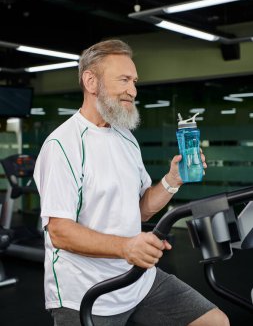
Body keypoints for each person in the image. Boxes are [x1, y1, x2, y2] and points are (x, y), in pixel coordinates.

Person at [33, 39, 229, 326]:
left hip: (138, 279)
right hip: (86, 293)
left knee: (214, 322)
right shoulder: (63, 145)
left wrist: (172, 180)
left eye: (134, 81)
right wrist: (127, 247)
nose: (133, 90)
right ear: (91, 81)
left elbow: (140, 210)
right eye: (124, 80)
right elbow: (60, 232)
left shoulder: (126, 137)